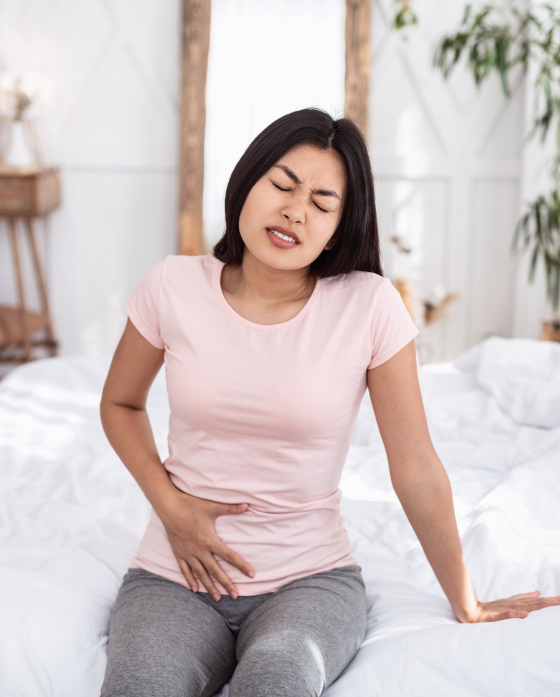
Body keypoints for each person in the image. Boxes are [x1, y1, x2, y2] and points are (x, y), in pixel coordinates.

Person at [99, 108, 559, 697]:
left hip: (309, 581)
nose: (295, 210)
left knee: (277, 682)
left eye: (322, 201)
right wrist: (170, 505)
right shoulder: (172, 285)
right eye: (282, 185)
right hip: (173, 573)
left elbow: (415, 466)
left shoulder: (369, 305)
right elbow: (120, 403)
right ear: (247, 182)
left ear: (343, 224)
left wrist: (465, 600)